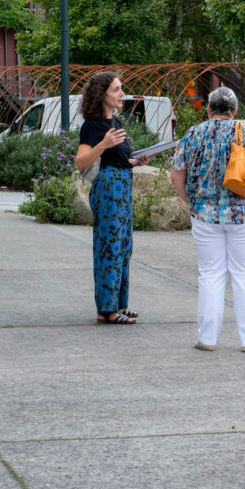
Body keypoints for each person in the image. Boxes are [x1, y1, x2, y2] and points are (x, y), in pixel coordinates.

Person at [170, 87, 245, 352]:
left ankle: (207, 338)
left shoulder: (193, 133)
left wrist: (189, 201)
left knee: (210, 274)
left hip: (204, 215)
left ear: (208, 109)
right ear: (235, 111)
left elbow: (176, 174)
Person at [75, 71, 151, 325]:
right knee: (110, 245)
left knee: (124, 246)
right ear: (102, 95)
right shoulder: (93, 126)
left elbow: (118, 159)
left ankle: (118, 304)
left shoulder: (116, 123)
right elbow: (81, 162)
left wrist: (134, 162)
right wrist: (103, 144)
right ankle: (105, 309)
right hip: (107, 188)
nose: (122, 94)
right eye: (117, 90)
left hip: (122, 184)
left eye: (121, 88)